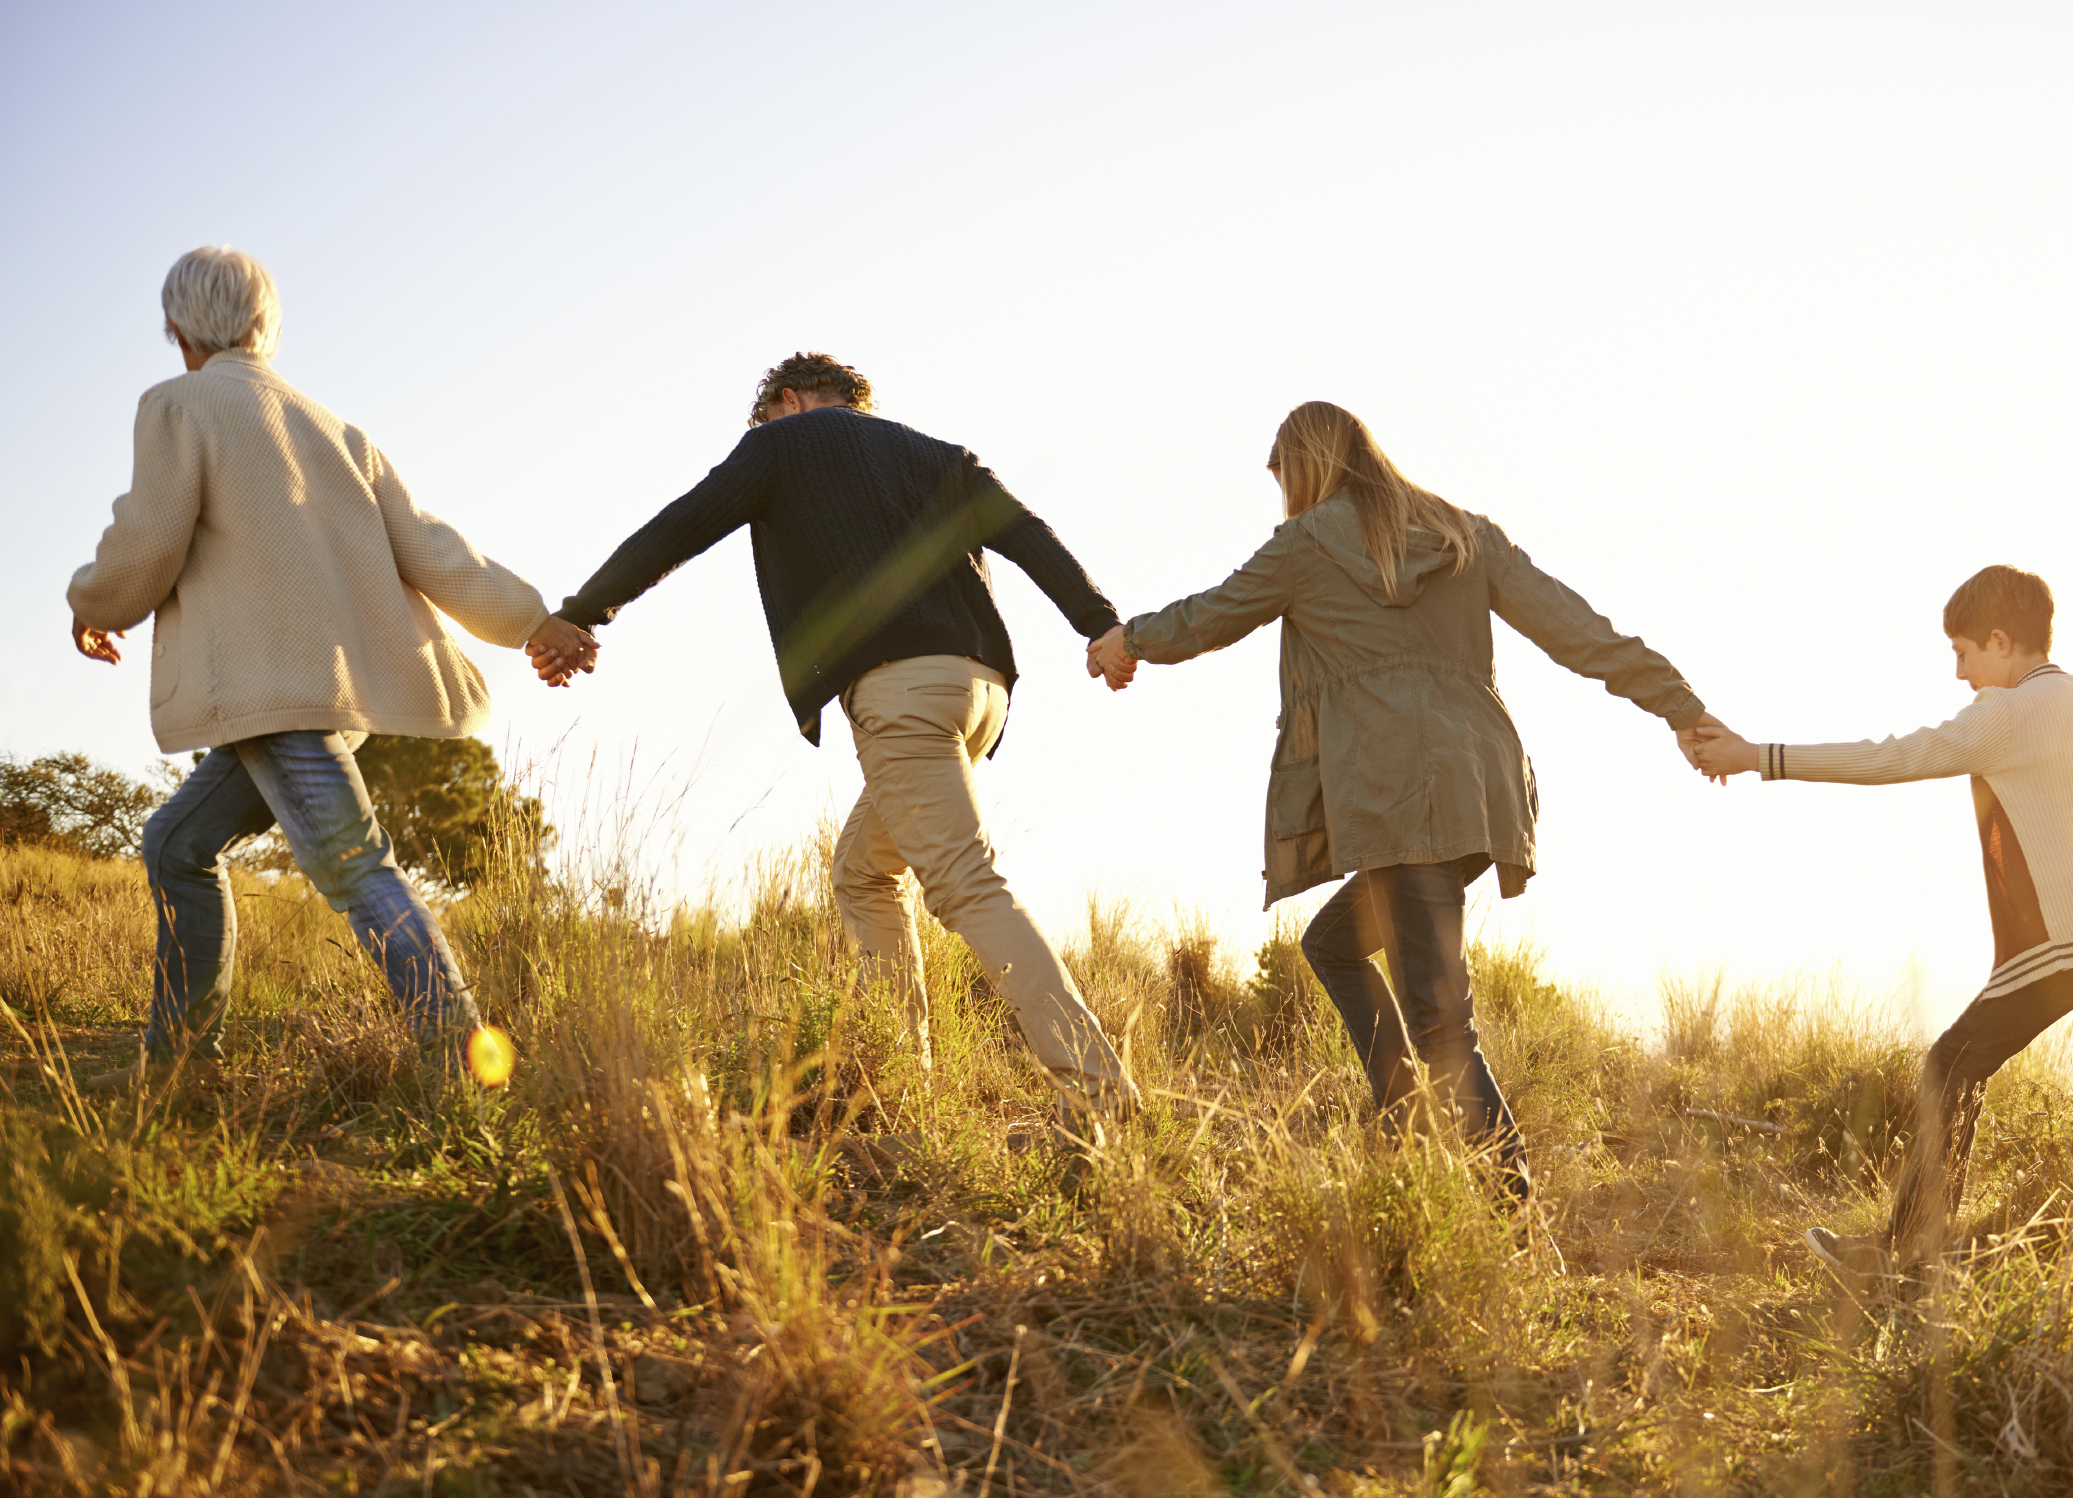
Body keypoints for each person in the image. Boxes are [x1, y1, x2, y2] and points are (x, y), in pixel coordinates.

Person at [1091, 401, 1715, 1201]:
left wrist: (1127, 640)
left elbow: (1209, 616)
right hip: (1477, 788)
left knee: (1442, 1021)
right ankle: (1406, 1131)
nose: (1281, 495)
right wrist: (1678, 703)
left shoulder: (1305, 546)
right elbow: (1577, 629)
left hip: (1393, 792)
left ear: (1305, 466)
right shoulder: (1465, 534)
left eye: (1281, 476)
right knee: (1337, 947)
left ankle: (1512, 1217)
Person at [540, 352, 1137, 1137]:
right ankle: (902, 1085)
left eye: (764, 418)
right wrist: (1098, 623)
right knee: (861, 873)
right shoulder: (934, 454)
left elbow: (682, 525)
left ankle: (1102, 1094)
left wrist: (584, 611)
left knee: (964, 885)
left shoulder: (781, 444)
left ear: (787, 401)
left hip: (902, 691)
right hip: (981, 689)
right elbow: (1026, 533)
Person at [67, 246, 570, 1086]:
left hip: (270, 692)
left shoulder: (180, 403)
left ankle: (460, 1063)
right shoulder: (333, 427)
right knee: (176, 841)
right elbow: (434, 547)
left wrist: (93, 601)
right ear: (264, 325)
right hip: (328, 694)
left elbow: (147, 540)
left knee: (354, 867)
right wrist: (534, 620)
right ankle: (182, 1062)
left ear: (181, 329)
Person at [1689, 565, 2073, 1269]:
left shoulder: (2003, 716)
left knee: (1950, 1067)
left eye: (1963, 652)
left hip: (2066, 944)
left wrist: (1758, 757)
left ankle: (1905, 1255)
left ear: (2000, 640)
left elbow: (1890, 758)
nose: (1960, 673)